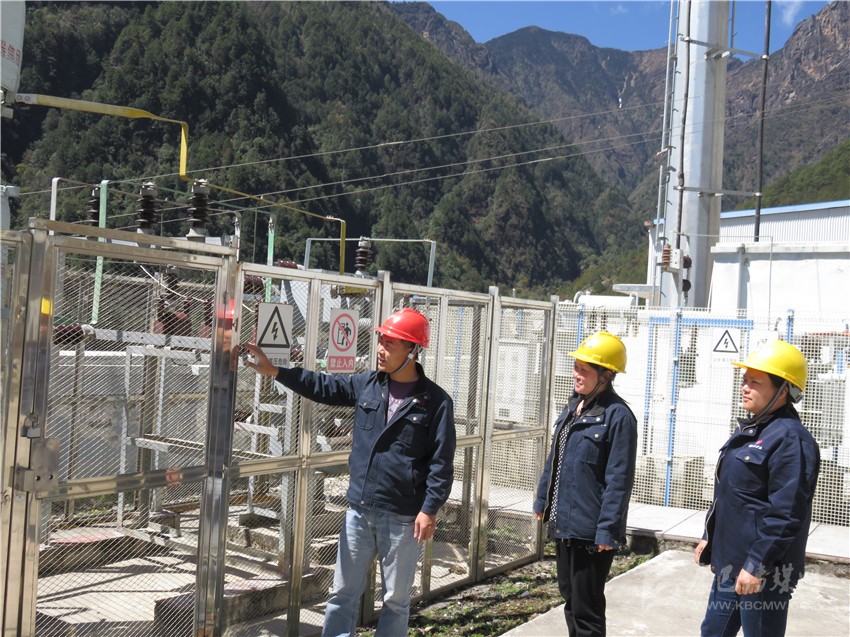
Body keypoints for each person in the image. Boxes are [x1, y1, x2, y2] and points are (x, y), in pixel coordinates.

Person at [242, 307, 456, 637]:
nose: (380, 349)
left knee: (396, 601)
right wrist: (277, 372)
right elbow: (323, 385)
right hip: (359, 510)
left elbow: (441, 463)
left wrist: (429, 509)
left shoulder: (436, 402)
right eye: (381, 341)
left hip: (403, 517)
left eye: (390, 344)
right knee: (342, 595)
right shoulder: (367, 385)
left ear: (412, 350)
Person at [695, 339, 820, 637]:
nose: (745, 387)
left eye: (755, 382)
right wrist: (709, 536)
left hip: (764, 573)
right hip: (731, 564)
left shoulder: (791, 440)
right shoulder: (753, 431)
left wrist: (756, 565)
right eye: (744, 380)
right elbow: (730, 494)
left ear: (783, 390)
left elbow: (786, 515)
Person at [533, 331, 637, 637]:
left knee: (586, 608)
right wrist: (542, 500)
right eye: (576, 367)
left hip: (591, 530)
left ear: (605, 376)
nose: (576, 374)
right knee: (570, 597)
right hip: (565, 523)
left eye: (584, 370)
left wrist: (607, 530)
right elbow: (555, 458)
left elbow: (619, 480)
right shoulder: (573, 408)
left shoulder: (618, 417)